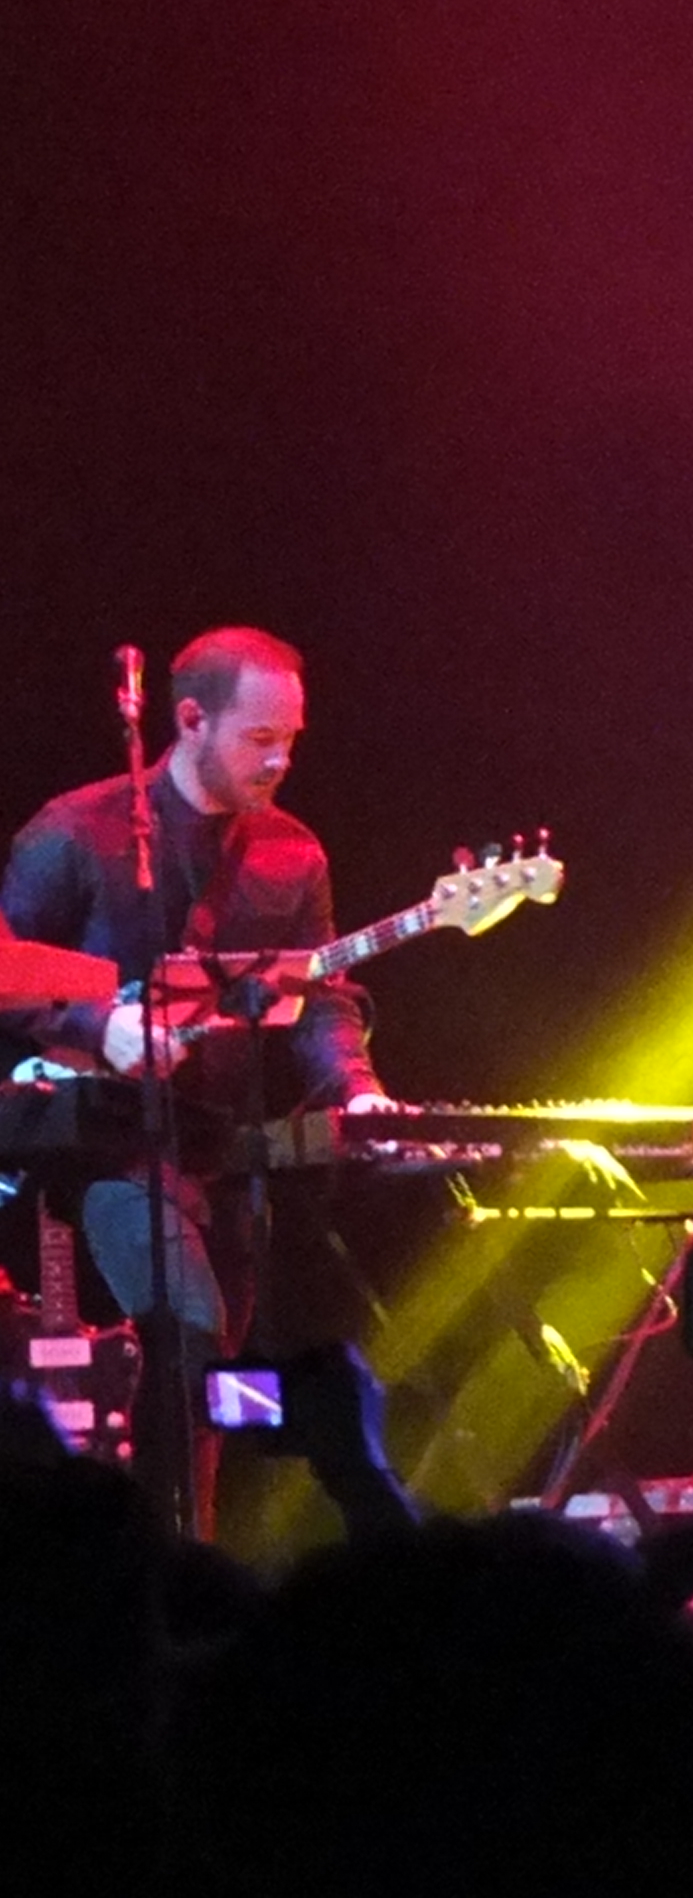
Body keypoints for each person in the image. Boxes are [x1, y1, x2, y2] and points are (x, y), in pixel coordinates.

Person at [1, 626, 392, 1528]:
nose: (280, 759)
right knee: (187, 1332)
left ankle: (188, 1558)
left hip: (219, 1152)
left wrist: (358, 1089)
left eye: (291, 739)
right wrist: (98, 1025)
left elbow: (320, 999)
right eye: (260, 738)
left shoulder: (295, 853)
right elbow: (7, 970)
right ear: (188, 721)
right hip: (99, 1148)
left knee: (211, 1384)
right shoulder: (74, 832)